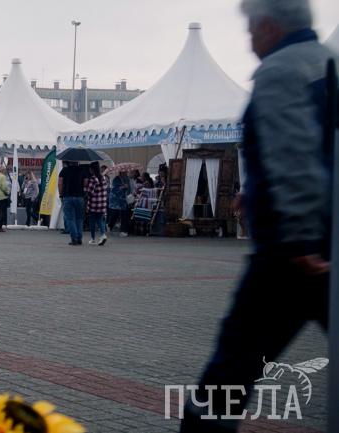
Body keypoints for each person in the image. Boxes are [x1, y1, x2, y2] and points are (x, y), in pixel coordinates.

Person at [180, 1, 334, 431]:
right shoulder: (327, 63)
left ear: (269, 27)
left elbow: (293, 156)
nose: (249, 38)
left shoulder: (281, 71)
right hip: (326, 241)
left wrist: (299, 237)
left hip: (291, 254)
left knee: (233, 365)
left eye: (251, 28)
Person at [58, 161, 86, 245]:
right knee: (79, 218)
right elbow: (86, 183)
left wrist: (61, 194)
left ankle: (74, 238)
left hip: (68, 196)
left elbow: (60, 183)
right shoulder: (82, 170)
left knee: (70, 218)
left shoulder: (64, 170)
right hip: (80, 197)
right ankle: (79, 238)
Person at [85, 162, 108, 245]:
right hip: (102, 203)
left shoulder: (93, 179)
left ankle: (93, 238)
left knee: (92, 221)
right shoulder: (103, 178)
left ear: (92, 169)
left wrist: (85, 189)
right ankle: (103, 235)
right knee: (100, 220)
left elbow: (89, 192)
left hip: (94, 204)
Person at [108, 170, 131, 237]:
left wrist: (127, 189)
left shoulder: (127, 179)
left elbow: (129, 188)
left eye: (126, 172)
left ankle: (124, 230)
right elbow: (114, 189)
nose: (126, 173)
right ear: (121, 172)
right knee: (114, 215)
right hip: (115, 201)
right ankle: (110, 226)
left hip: (123, 200)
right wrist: (123, 187)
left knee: (124, 215)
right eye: (125, 172)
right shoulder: (116, 179)